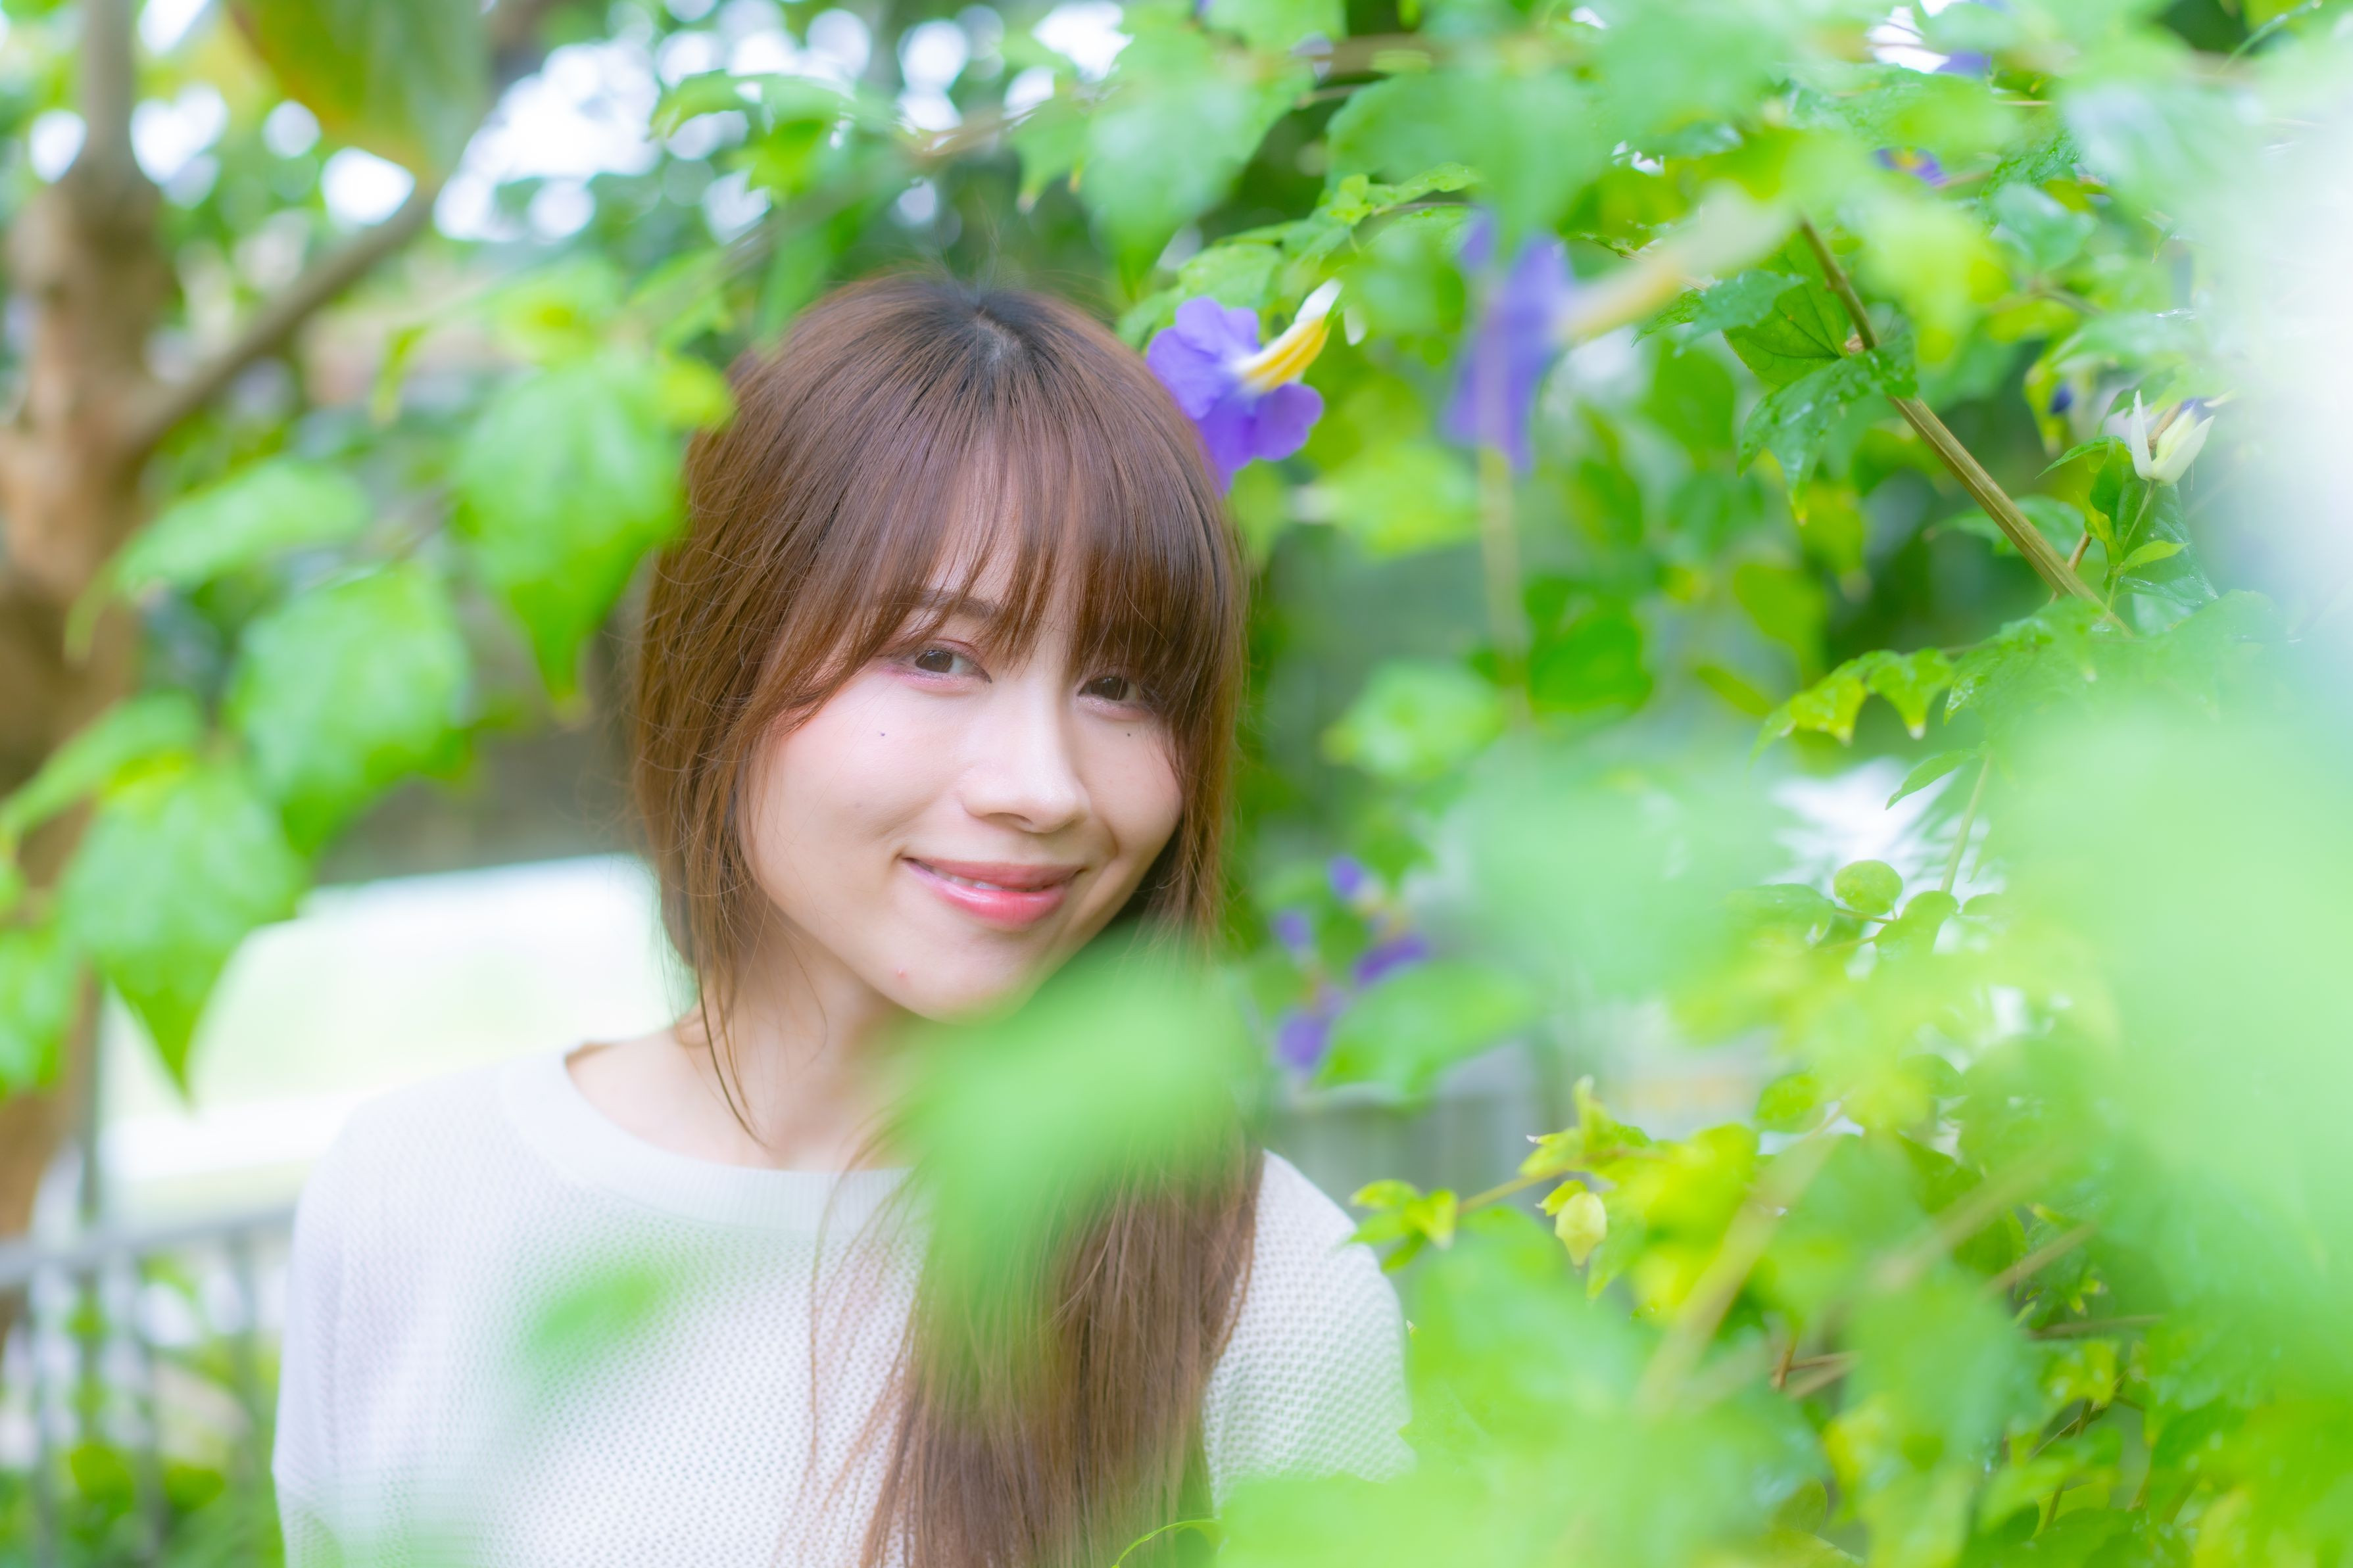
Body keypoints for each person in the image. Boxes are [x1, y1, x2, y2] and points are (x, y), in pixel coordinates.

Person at [270, 274, 1413, 1568]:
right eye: (939, 656)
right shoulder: (412, 1195)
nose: (1043, 786)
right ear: (725, 650)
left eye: (1122, 684)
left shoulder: (1267, 1290)